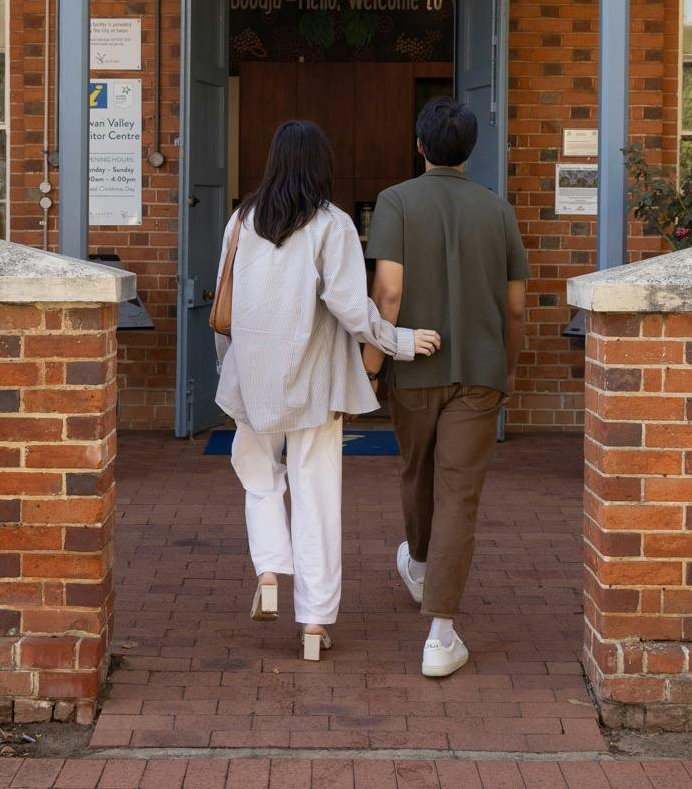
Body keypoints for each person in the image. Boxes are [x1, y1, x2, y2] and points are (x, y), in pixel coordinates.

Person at [214, 119, 441, 662]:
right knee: (315, 496)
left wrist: (229, 365)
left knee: (258, 476)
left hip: (252, 374)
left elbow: (228, 301)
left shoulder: (241, 220)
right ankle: (314, 624)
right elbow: (349, 305)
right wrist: (399, 342)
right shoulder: (331, 224)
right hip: (313, 379)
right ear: (321, 165)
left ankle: (269, 568)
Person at [365, 96, 529, 679]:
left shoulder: (395, 202)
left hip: (416, 364)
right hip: (481, 369)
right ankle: (440, 634)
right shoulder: (497, 209)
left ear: (420, 146)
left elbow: (387, 294)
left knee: (417, 472)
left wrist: (373, 363)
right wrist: (507, 368)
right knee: (458, 493)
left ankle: (420, 565)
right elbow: (515, 308)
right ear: (469, 151)